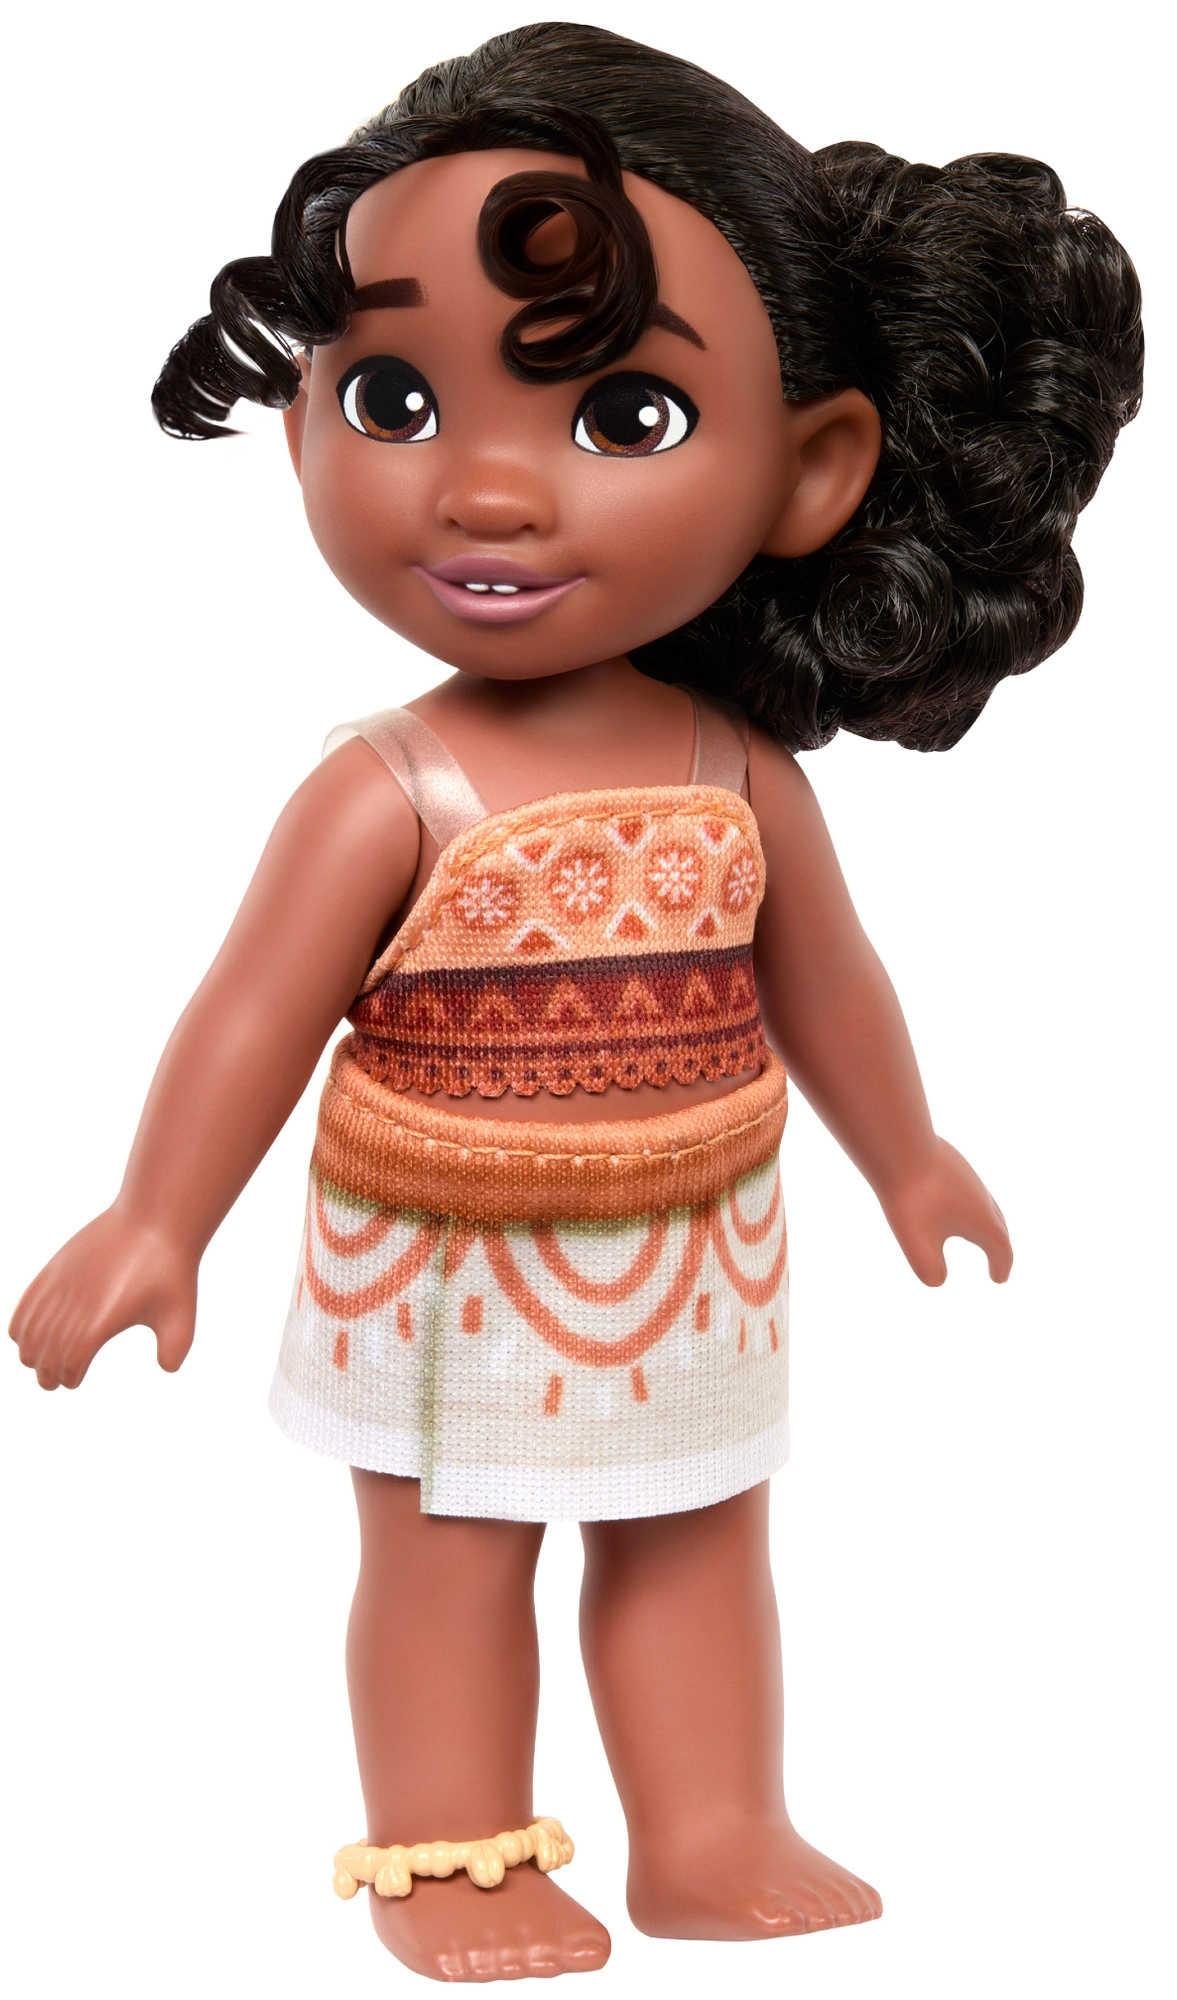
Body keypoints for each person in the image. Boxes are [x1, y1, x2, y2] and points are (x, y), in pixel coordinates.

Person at [9, 22, 1141, 1984]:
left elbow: (830, 980)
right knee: (449, 1554)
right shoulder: (389, 789)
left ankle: (711, 1825)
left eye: (623, 416)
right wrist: (155, 1216)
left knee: (698, 1530)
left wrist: (912, 1153)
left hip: (696, 1242)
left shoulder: (734, 770)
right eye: (393, 395)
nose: (489, 490)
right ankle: (447, 1857)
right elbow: (251, 1010)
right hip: (442, 1258)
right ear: (301, 423)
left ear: (811, 468)